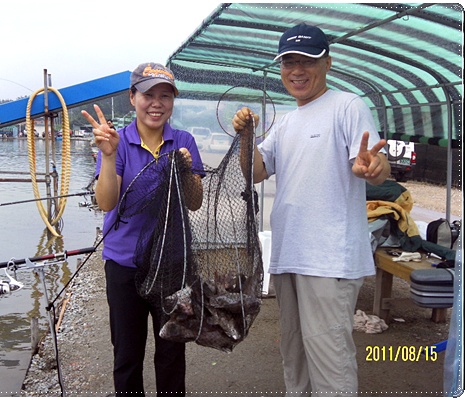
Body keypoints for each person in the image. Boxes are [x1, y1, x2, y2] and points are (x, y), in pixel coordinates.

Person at [232, 23, 391, 396]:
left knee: (330, 364)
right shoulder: (287, 122)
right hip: (289, 257)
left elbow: (374, 164)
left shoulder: (347, 106)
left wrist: (374, 166)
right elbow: (256, 171)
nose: (297, 70)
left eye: (307, 60)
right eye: (289, 62)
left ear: (328, 63)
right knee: (295, 357)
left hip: (329, 261)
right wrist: (246, 138)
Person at [82, 62, 204, 396]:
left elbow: (195, 202)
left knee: (171, 353)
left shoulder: (184, 141)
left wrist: (186, 170)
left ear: (172, 102)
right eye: (149, 95)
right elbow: (106, 202)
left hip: (171, 265)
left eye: (165, 96)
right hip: (124, 265)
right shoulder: (118, 142)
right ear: (132, 97)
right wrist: (108, 156)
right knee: (127, 354)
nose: (157, 103)